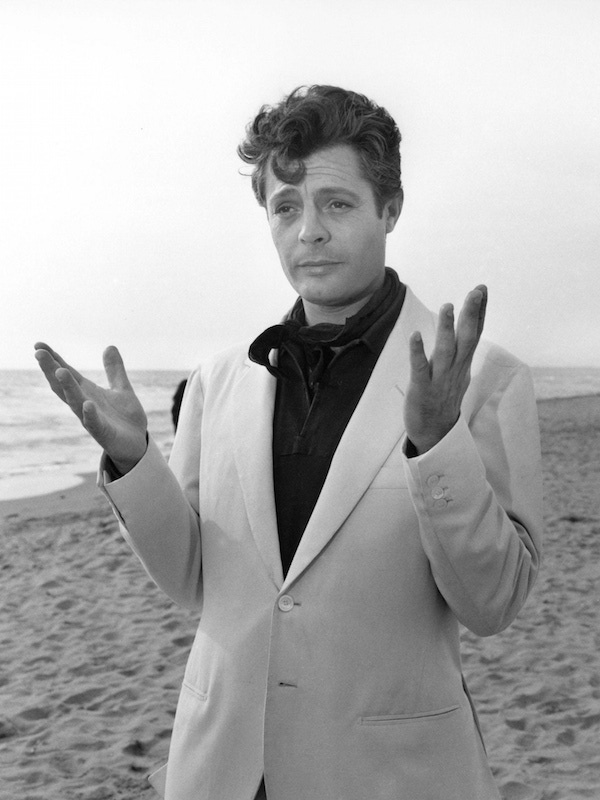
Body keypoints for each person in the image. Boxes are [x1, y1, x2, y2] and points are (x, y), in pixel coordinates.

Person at [34, 85, 543, 800]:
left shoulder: (484, 379)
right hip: (226, 771)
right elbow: (191, 581)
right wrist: (134, 462)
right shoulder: (221, 378)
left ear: (389, 209)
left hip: (392, 775)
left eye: (336, 203)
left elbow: (494, 604)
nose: (309, 231)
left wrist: (437, 446)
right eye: (286, 207)